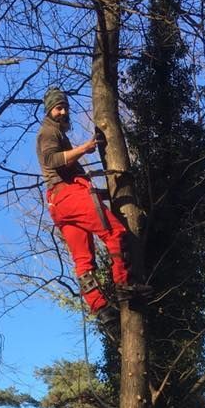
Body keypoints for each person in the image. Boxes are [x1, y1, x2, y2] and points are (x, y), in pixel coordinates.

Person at [36, 87, 130, 336]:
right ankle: (124, 284)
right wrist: (84, 149)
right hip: (67, 194)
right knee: (115, 232)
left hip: (58, 204)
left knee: (83, 261)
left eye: (65, 108)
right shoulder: (48, 132)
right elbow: (51, 160)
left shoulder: (56, 132)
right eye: (58, 108)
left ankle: (103, 311)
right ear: (49, 110)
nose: (63, 112)